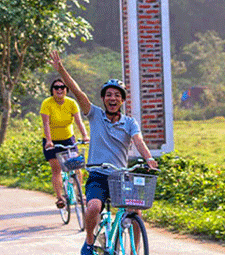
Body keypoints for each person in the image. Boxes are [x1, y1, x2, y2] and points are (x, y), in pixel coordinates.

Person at [49, 51, 157, 255]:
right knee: (93, 208)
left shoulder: (130, 122)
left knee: (135, 211)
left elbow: (139, 141)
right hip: (98, 176)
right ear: (103, 98)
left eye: (117, 95)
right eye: (109, 95)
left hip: (121, 178)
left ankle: (135, 250)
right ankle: (89, 243)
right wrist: (61, 70)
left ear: (122, 100)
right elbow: (78, 92)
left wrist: (149, 158)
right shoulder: (95, 115)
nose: (112, 98)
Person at [41, 78, 89, 209]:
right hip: (51, 140)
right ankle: (60, 197)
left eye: (62, 87)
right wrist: (49, 141)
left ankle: (80, 194)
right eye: (56, 87)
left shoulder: (71, 103)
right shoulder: (47, 103)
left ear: (66, 90)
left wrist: (85, 135)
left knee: (76, 166)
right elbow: (46, 124)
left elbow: (79, 121)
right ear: (52, 90)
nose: (59, 89)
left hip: (68, 138)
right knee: (56, 169)